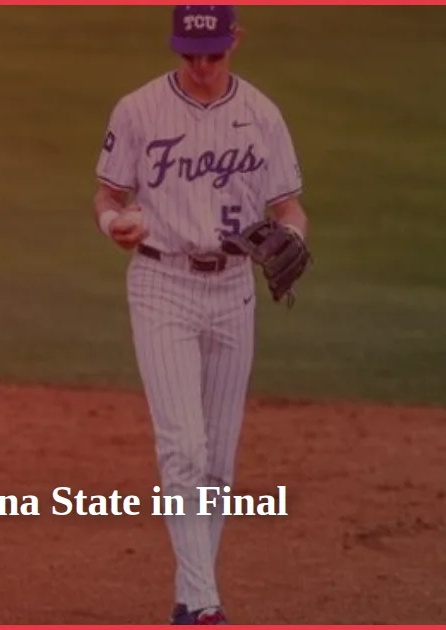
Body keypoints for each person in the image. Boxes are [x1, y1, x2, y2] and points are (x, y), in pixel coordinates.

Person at [92, 5, 311, 625]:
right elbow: (108, 193)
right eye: (190, 54)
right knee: (184, 447)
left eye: (214, 53)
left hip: (234, 288)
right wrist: (115, 223)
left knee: (218, 462)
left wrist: (296, 237)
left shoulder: (261, 115)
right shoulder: (138, 109)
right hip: (162, 282)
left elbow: (289, 206)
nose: (202, 66)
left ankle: (190, 601)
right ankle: (205, 604)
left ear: (234, 41)